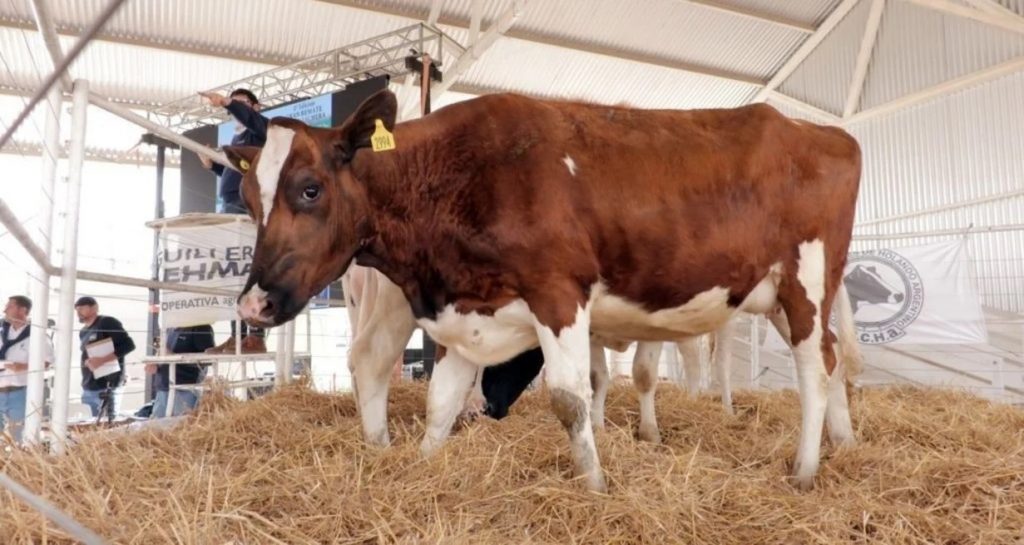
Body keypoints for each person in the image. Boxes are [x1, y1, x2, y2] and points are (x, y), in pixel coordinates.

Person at [198, 88, 269, 354]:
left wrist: (228, 102)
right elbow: (236, 172)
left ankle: (256, 335)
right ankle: (237, 336)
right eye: (233, 105)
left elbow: (253, 121)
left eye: (241, 105)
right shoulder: (237, 137)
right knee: (233, 273)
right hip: (230, 207)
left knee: (251, 270)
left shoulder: (260, 131)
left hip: (247, 206)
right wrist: (212, 166)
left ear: (256, 107)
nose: (234, 110)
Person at [0, 295, 54, 443]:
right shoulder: (1, 332)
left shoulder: (36, 334)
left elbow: (47, 362)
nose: (5, 310)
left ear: (22, 310)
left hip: (19, 391)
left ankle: (20, 462)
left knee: (20, 435)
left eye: (9, 306)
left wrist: (23, 367)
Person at [75, 297, 136, 420]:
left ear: (94, 308)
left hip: (108, 384)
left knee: (107, 423)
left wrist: (102, 360)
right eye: (76, 309)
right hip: (89, 384)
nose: (78, 312)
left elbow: (128, 345)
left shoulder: (107, 322)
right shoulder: (83, 331)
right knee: (89, 424)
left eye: (82, 308)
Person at [147, 324, 214, 418]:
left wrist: (174, 357)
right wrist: (156, 364)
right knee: (157, 428)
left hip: (186, 389)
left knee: (180, 427)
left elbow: (208, 360)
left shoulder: (201, 327)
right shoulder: (168, 327)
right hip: (163, 387)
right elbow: (162, 352)